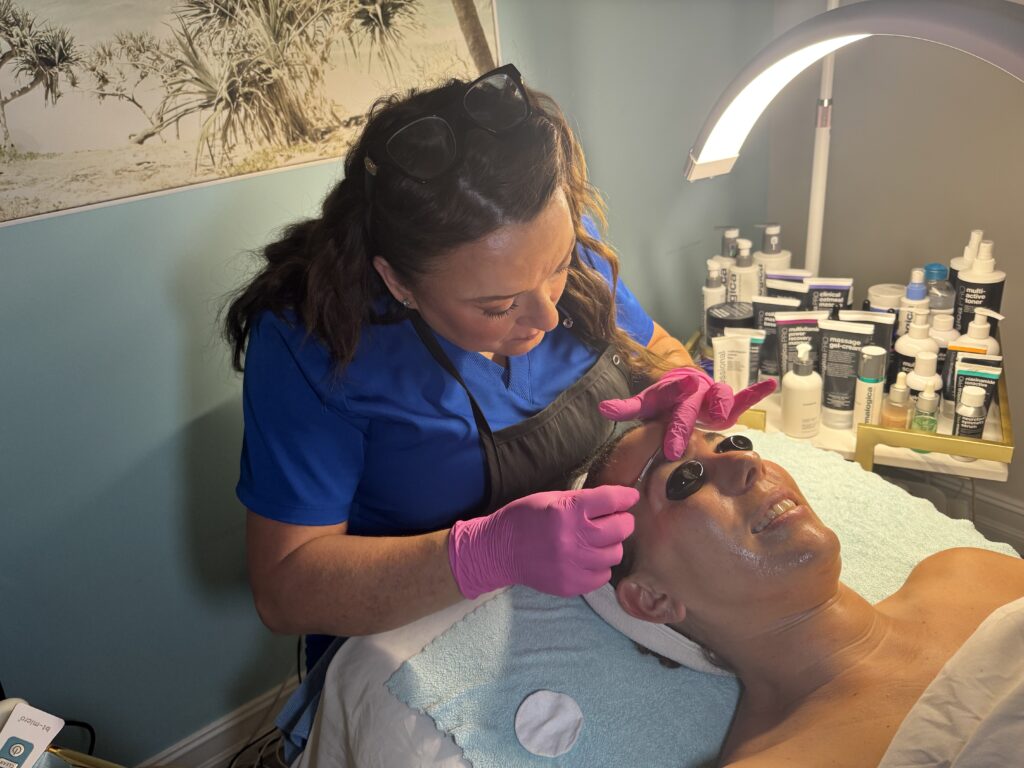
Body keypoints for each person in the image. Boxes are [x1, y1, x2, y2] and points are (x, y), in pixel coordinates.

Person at [222, 63, 772, 754]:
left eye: (559, 266)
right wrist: (488, 553)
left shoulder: (541, 245)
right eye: (496, 306)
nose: (546, 315)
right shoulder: (314, 341)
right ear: (398, 281)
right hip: (414, 650)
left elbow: (650, 345)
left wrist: (683, 381)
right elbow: (285, 590)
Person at [581, 422, 1024, 767]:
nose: (746, 460)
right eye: (686, 479)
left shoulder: (965, 571)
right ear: (653, 599)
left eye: (732, 443)